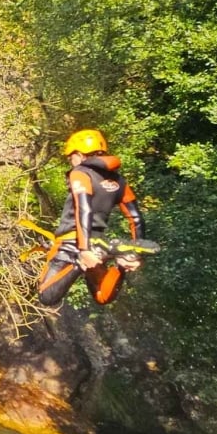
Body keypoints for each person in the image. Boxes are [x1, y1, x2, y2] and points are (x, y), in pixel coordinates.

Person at [37, 131, 145, 307]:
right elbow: (136, 218)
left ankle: (80, 263)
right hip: (98, 245)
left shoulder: (80, 173)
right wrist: (135, 253)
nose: (70, 162)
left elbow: (83, 208)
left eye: (70, 157)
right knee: (102, 296)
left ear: (79, 155)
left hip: (74, 243)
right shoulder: (119, 181)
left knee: (46, 296)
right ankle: (120, 266)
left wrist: (84, 250)